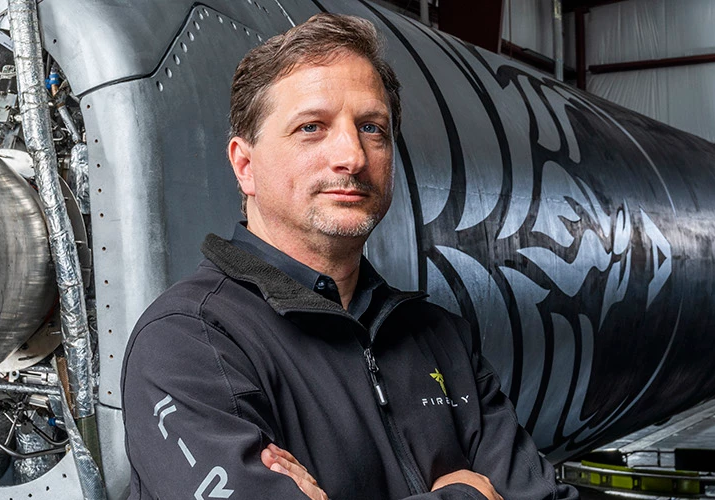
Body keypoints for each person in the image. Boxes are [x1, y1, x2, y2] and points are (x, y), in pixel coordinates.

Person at [120, 13, 579, 500]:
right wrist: (465, 494)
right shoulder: (187, 344)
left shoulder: (438, 335)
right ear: (245, 165)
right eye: (312, 127)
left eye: (372, 128)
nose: (353, 156)